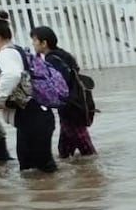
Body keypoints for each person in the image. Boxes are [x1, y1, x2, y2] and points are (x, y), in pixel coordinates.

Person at [0, 17, 57, 173]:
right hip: (36, 116)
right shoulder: (17, 50)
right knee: (33, 170)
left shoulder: (6, 53)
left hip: (33, 118)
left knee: (40, 170)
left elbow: (12, 75)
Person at [30, 26, 97, 159]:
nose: (33, 43)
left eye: (35, 40)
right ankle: (70, 166)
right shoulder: (62, 54)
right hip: (76, 103)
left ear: (44, 43)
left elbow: (60, 84)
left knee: (86, 149)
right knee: (65, 149)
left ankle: (94, 169)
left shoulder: (52, 60)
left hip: (70, 106)